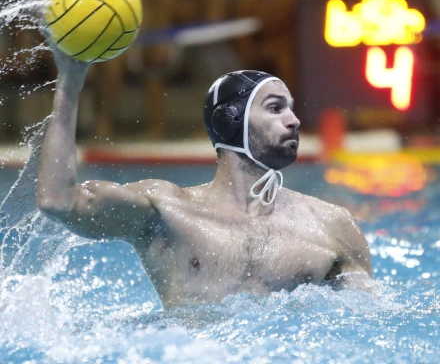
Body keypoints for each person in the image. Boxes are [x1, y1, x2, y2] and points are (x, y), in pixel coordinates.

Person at [37, 45, 372, 309]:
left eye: (291, 107)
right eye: (275, 107)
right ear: (230, 121)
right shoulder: (166, 212)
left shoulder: (333, 226)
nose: (294, 120)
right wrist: (70, 82)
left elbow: (370, 319)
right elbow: (58, 201)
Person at [94, 0, 172, 138]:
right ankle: (105, 123)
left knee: (154, 66)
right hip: (125, 39)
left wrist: (160, 42)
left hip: (155, 39)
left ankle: (155, 127)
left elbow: (165, 14)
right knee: (110, 66)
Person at [237, 0, 297, 92]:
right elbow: (243, 30)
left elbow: (296, 27)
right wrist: (252, 50)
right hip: (259, 47)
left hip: (285, 48)